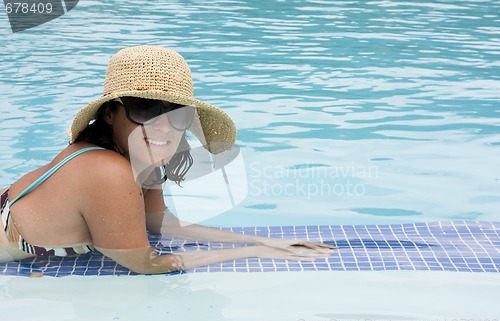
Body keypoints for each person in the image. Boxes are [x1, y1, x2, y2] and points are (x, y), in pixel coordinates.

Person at [0, 45, 336, 274]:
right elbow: (146, 263)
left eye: (176, 113)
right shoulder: (107, 170)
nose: (163, 125)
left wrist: (262, 240)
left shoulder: (135, 156)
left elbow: (161, 224)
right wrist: (255, 254)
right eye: (144, 109)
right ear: (109, 115)